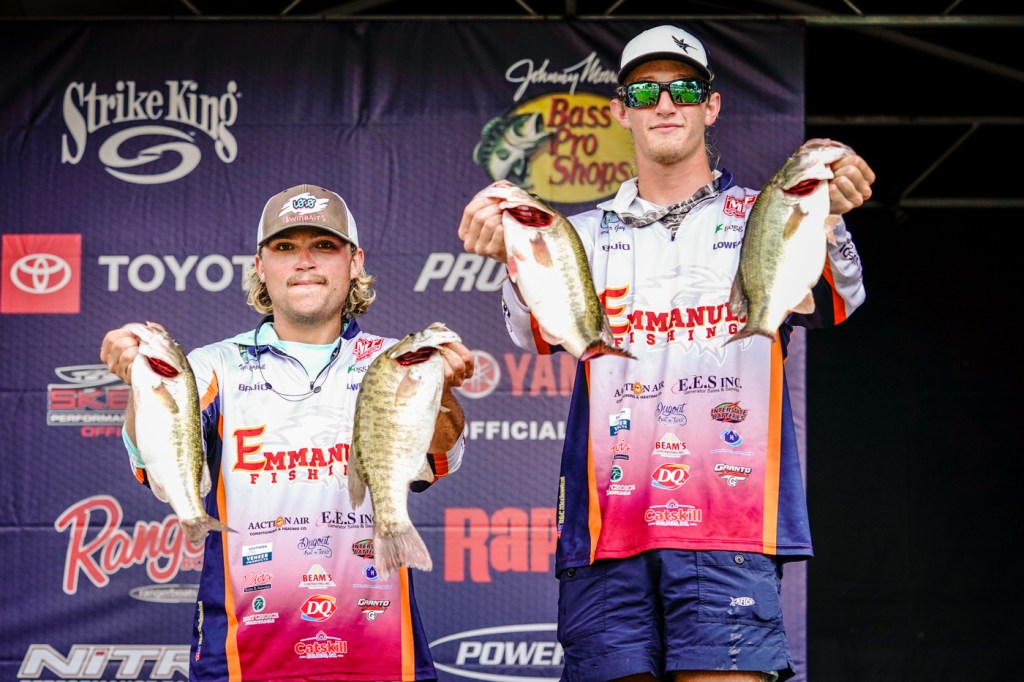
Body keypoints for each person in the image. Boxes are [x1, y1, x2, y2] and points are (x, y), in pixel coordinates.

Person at [457, 25, 875, 682]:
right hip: (607, 529)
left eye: (683, 89)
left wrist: (829, 214)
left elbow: (839, 300)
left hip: (730, 523)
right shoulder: (577, 234)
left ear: (710, 105)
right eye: (643, 91)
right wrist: (508, 252)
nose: (664, 104)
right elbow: (532, 334)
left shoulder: (767, 211)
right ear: (620, 111)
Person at [100, 183, 474, 681]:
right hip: (244, 655)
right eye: (284, 247)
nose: (304, 261)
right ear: (260, 265)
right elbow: (155, 469)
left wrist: (440, 389)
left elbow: (441, 461)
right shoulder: (212, 365)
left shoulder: (394, 360)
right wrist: (141, 385)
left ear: (355, 262)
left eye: (324, 245)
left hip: (380, 652)